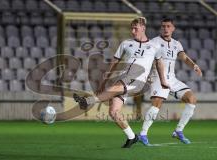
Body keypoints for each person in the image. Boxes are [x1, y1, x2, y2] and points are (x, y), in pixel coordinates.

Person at [73, 17, 169, 148]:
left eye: (135, 28)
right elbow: (114, 62)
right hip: (124, 78)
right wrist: (104, 80)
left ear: (143, 28)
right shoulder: (125, 43)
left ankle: (88, 101)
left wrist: (162, 80)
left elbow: (159, 63)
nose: (133, 31)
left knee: (116, 87)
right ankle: (131, 137)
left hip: (138, 79)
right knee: (113, 112)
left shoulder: (154, 45)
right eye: (131, 28)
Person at [138, 18, 202, 146]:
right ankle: (143, 133)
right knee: (157, 104)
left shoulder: (176, 44)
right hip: (158, 77)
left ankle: (179, 131)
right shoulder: (154, 42)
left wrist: (194, 66)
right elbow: (146, 58)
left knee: (192, 99)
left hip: (172, 78)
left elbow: (184, 57)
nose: (165, 29)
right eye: (163, 26)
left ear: (173, 28)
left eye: (168, 26)